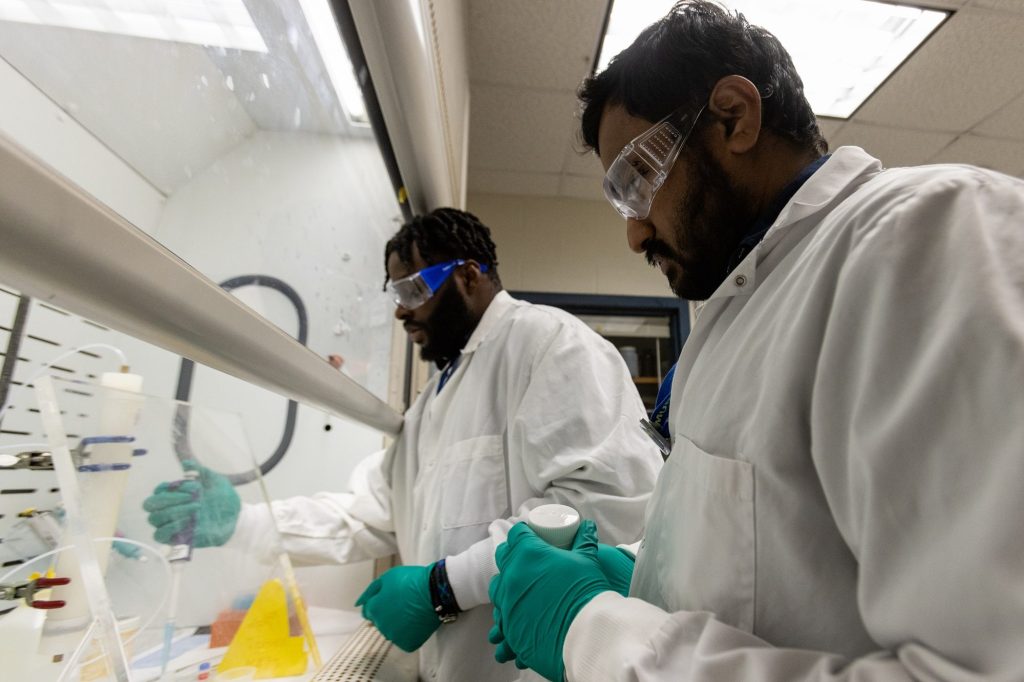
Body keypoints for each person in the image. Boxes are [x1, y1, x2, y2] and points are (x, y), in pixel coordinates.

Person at [487, 2, 1024, 681]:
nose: (634, 232)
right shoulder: (739, 314)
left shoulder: (924, 236)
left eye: (636, 181)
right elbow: (774, 558)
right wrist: (644, 572)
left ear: (733, 117)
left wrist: (596, 635)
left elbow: (985, 666)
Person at [143, 207, 663, 681]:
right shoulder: (429, 404)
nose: (401, 312)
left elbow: (596, 514)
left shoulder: (551, 345)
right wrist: (245, 521)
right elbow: (371, 512)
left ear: (468, 275)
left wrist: (441, 587)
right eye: (395, 295)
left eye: (413, 291)